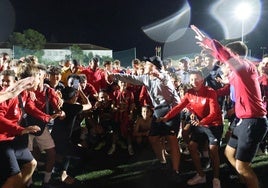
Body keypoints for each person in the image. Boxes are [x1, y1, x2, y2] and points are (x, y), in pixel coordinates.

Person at [191, 24, 268, 188]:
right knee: (228, 153)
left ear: (235, 57)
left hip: (253, 122)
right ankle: (244, 180)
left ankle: (250, 181)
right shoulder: (239, 74)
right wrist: (209, 50)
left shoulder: (244, 67)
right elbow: (224, 66)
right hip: (243, 121)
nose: (223, 65)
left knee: (242, 165)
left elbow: (226, 56)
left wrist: (207, 41)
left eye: (226, 61)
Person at [107, 56, 181, 178]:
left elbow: (165, 80)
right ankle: (163, 162)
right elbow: (131, 78)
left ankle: (175, 171)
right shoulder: (146, 77)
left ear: (153, 67)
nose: (143, 66)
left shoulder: (164, 75)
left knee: (172, 139)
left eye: (146, 64)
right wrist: (115, 76)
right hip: (158, 109)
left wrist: (159, 75)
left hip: (171, 109)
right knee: (153, 137)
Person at [158, 70, 223, 188]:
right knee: (192, 146)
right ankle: (201, 175)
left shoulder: (210, 92)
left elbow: (214, 113)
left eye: (197, 79)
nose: (194, 82)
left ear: (202, 80)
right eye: (192, 79)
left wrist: (201, 122)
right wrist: (166, 117)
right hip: (200, 124)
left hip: (214, 124)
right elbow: (179, 107)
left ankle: (216, 178)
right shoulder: (189, 93)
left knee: (213, 150)